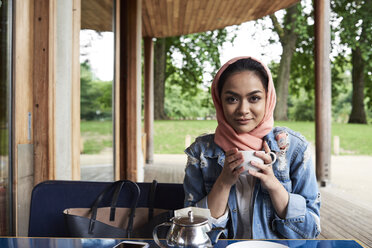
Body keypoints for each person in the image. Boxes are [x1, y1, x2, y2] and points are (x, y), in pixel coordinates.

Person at [183, 56, 321, 239]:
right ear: (219, 101)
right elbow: (190, 232)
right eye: (232, 99)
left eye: (254, 98)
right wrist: (223, 183)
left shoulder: (294, 149)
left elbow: (310, 231)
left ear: (268, 99)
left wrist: (273, 185)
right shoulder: (201, 153)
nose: (243, 109)